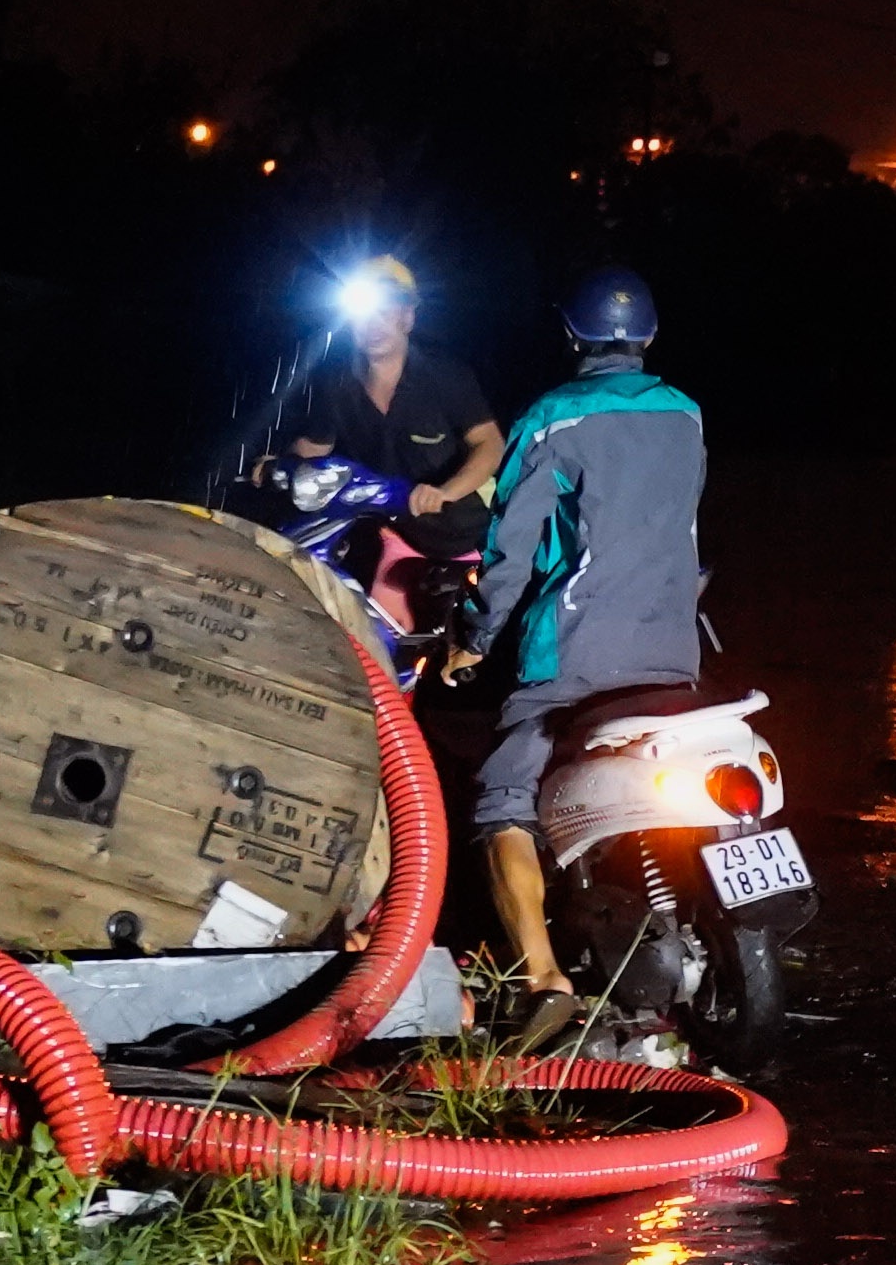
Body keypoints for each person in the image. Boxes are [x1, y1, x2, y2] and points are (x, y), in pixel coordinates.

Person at [466, 265, 707, 991]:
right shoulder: (687, 413)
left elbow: (508, 554)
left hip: (575, 655)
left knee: (503, 796)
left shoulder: (552, 417)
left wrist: (474, 639)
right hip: (674, 649)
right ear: (652, 334)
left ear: (569, 333)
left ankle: (542, 977)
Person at [286, 258, 504, 559]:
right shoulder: (337, 381)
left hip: (464, 537)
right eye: (363, 314)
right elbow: (314, 446)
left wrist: (445, 492)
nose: (373, 325)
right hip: (385, 531)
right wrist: (278, 466)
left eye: (385, 311)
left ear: (407, 318)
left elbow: (489, 443)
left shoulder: (444, 375)